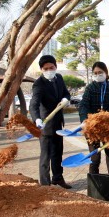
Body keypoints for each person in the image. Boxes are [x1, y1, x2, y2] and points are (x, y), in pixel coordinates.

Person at [30, 55, 72, 189]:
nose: (49, 70)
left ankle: (58, 178)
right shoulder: (38, 84)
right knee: (45, 156)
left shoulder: (59, 78)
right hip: (45, 125)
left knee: (58, 153)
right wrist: (36, 119)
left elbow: (66, 93)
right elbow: (33, 105)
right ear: (41, 70)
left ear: (56, 67)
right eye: (45, 68)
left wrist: (66, 99)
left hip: (58, 124)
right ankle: (45, 185)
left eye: (51, 67)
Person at [78, 61, 109, 175]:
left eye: (100, 72)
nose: (97, 75)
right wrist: (84, 120)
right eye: (95, 73)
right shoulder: (90, 87)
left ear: (105, 72)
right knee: (95, 157)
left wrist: (107, 113)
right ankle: (94, 180)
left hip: (107, 124)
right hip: (92, 126)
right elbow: (83, 105)